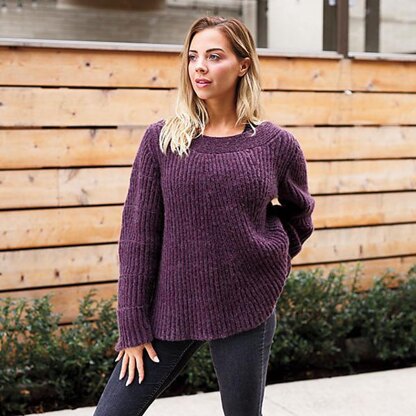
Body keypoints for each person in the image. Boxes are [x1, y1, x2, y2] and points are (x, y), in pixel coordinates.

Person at [93, 15, 315, 416]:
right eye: (193, 56)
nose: (200, 67)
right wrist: (132, 325)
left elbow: (299, 214)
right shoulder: (163, 139)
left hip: (246, 304)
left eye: (214, 56)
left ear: (243, 65)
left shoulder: (276, 145)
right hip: (170, 309)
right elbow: (138, 236)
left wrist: (270, 258)